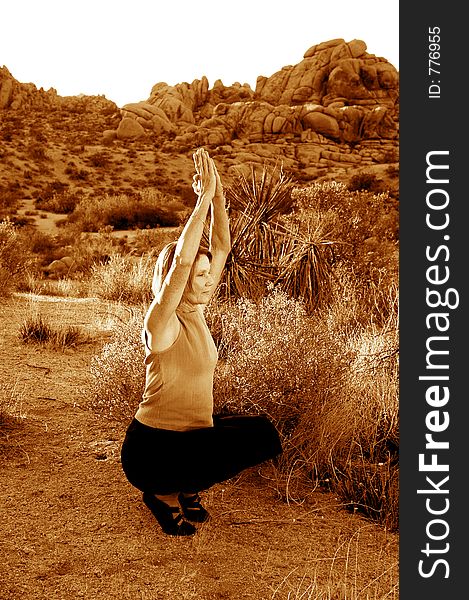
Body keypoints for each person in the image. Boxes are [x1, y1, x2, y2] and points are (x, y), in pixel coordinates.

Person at [120, 148, 282, 536]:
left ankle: (189, 485)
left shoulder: (196, 310)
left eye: (210, 273)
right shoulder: (162, 322)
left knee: (260, 434)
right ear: (178, 280)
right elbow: (179, 265)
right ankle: (160, 494)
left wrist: (219, 194)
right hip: (153, 450)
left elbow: (222, 246)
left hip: (192, 439)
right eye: (201, 273)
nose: (209, 279)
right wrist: (201, 201)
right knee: (205, 449)